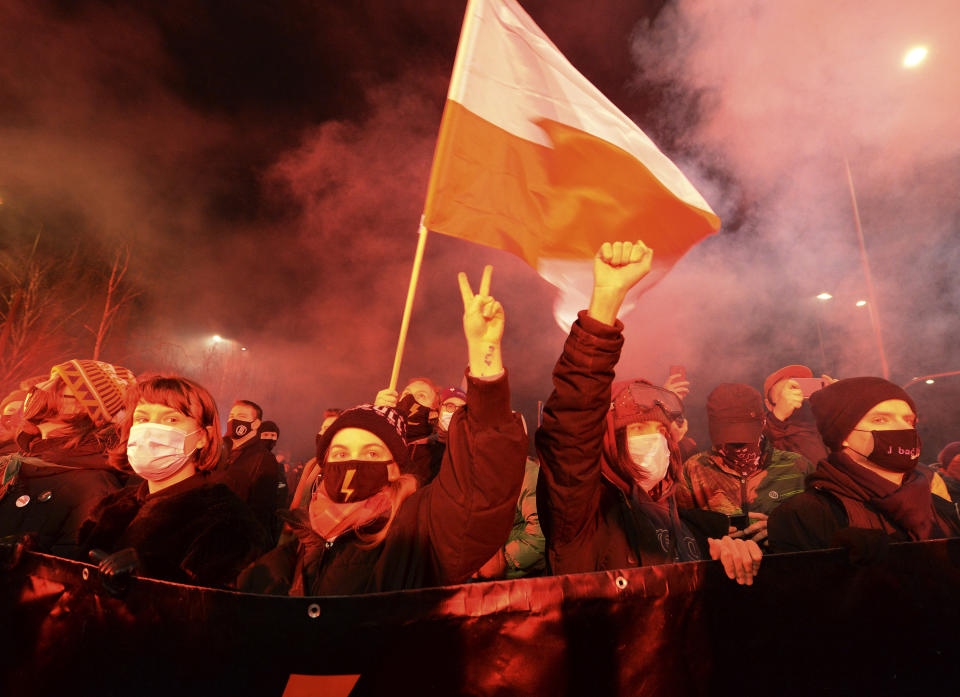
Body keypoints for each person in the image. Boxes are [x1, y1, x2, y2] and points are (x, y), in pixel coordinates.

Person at [238, 265, 527, 596]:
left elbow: (481, 489)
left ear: (394, 467)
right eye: (341, 453)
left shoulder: (413, 533)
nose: (354, 463)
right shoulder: (292, 547)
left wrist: (483, 357)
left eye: (372, 453)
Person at [536, 241, 762, 585]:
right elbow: (572, 423)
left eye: (658, 431)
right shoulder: (583, 515)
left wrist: (726, 562)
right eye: (638, 431)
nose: (654, 441)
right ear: (610, 441)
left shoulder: (687, 527)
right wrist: (605, 304)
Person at [81, 375, 268, 590]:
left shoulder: (228, 523)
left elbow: (213, 611)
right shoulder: (114, 504)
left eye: (171, 420)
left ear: (202, 437)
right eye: (142, 419)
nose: (151, 430)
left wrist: (149, 576)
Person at [767, 377, 960, 554]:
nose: (903, 428)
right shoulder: (805, 516)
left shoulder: (942, 508)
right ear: (843, 435)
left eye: (908, 419)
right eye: (880, 419)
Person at [0, 360, 134, 559]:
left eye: (58, 384)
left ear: (84, 407)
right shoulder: (17, 463)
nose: (40, 388)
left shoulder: (94, 487)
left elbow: (70, 574)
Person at [678, 383, 813, 547]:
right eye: (727, 437)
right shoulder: (693, 470)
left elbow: (819, 532)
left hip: (786, 568)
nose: (738, 446)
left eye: (745, 436)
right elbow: (682, 535)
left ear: (763, 421)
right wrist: (711, 537)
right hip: (720, 569)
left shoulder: (797, 467)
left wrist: (782, 532)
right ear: (712, 428)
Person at [212, 399, 282, 539]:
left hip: (235, 538)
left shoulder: (264, 459)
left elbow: (262, 510)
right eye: (231, 416)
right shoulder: (218, 451)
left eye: (242, 417)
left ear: (256, 424)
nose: (234, 420)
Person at [762, 364, 829, 464]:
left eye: (798, 388)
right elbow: (759, 448)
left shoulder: (823, 424)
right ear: (768, 405)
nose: (792, 396)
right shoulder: (763, 431)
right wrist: (778, 417)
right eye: (783, 393)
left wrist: (842, 404)